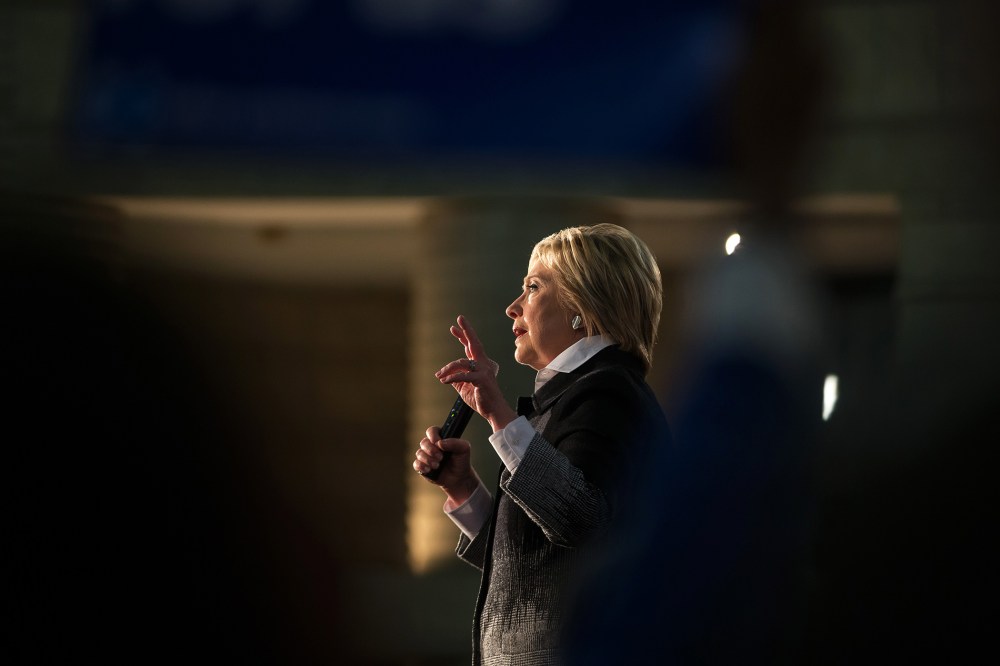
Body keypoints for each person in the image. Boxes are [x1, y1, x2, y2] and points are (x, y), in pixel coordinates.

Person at [412, 222, 671, 666]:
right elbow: (538, 557)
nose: (513, 308)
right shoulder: (578, 396)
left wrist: (498, 415)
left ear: (582, 306)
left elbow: (580, 518)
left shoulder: (607, 392)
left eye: (533, 287)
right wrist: (463, 490)